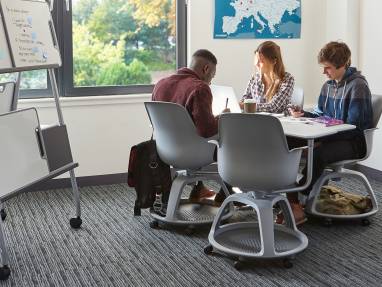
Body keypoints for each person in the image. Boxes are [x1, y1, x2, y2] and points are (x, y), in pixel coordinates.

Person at [284, 41, 373, 225]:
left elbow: (352, 127)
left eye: (328, 68)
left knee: (317, 154)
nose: (324, 72)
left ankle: (301, 195)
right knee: (287, 143)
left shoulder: (358, 86)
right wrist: (303, 114)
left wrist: (321, 141)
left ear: (342, 65)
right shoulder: (328, 85)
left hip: (353, 142)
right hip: (330, 137)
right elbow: (320, 114)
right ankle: (290, 197)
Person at [152, 49, 230, 204]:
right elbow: (206, 131)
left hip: (164, 150)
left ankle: (199, 189)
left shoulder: (160, 84)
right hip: (192, 151)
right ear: (206, 69)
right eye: (212, 76)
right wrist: (223, 117)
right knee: (232, 137)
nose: (210, 81)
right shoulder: (200, 88)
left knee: (191, 134)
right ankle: (226, 193)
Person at [240, 41, 294, 113]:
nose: (256, 64)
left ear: (274, 61)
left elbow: (274, 107)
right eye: (256, 60)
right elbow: (244, 100)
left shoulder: (287, 79)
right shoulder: (255, 78)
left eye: (261, 61)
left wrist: (245, 106)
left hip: (278, 122)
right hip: (256, 121)